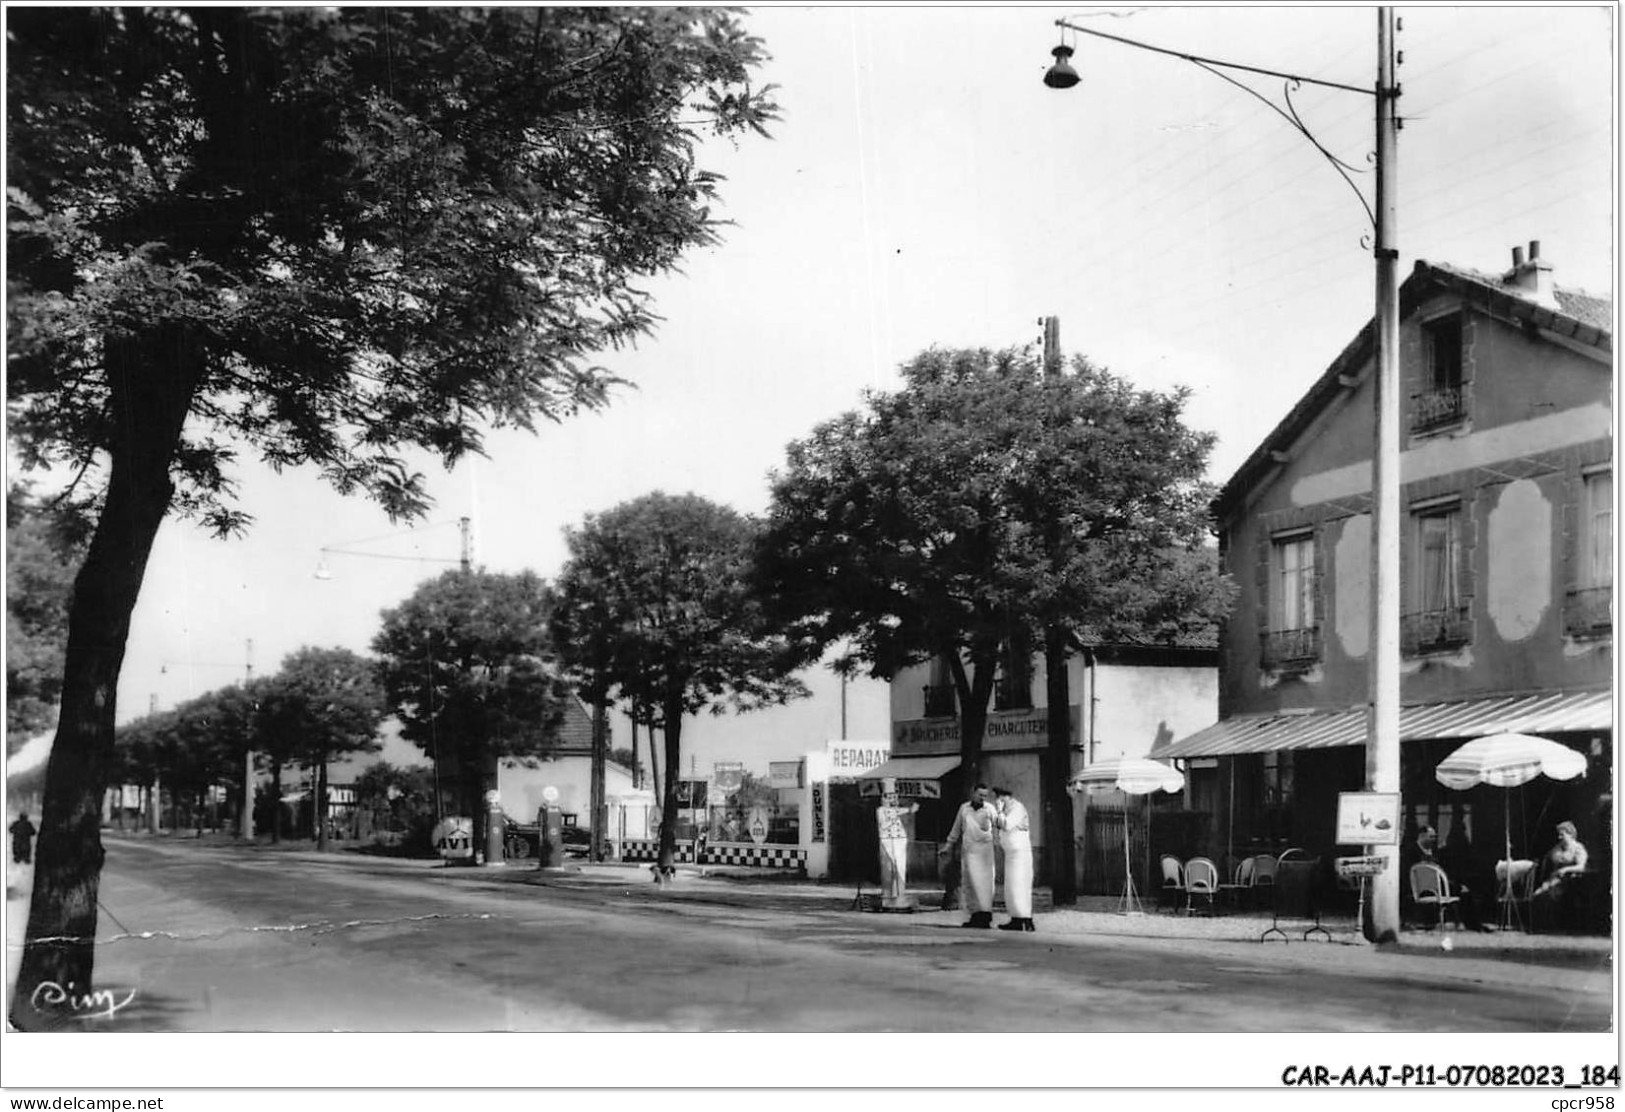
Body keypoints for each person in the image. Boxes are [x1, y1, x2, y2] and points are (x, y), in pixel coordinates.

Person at [944, 783, 997, 928]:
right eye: (980, 794)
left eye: (985, 796)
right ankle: (975, 916)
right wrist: (948, 845)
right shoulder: (964, 809)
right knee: (970, 883)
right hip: (969, 851)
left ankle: (985, 916)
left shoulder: (990, 809)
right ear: (973, 793)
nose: (982, 798)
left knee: (985, 884)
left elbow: (999, 825)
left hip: (985, 851)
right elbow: (956, 829)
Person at [991, 787, 1035, 932]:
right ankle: (1016, 918)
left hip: (1020, 854)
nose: (1000, 801)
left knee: (1019, 886)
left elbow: (1007, 825)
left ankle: (1026, 920)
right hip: (1011, 854)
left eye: (1001, 798)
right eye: (998, 798)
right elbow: (998, 824)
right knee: (1011, 888)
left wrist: (999, 811)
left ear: (1008, 797)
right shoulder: (1007, 809)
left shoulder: (1017, 808)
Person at [875, 781, 918, 906]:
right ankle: (887, 895)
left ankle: (899, 895)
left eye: (894, 796)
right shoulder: (881, 810)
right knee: (888, 868)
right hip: (887, 841)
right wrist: (897, 814)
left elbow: (905, 810)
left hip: (899, 841)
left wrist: (909, 810)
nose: (893, 799)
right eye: (889, 797)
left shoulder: (897, 810)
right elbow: (883, 825)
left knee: (900, 868)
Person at [1534, 820, 1588, 909]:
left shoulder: (1578, 848)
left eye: (1562, 835)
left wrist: (1566, 869)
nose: (1559, 837)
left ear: (1570, 834)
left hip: (1569, 881)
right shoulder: (1557, 848)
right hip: (1553, 879)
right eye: (1559, 835)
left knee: (1550, 897)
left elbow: (1581, 867)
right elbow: (1547, 858)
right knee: (1537, 895)